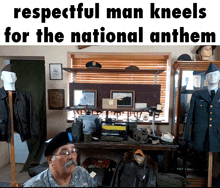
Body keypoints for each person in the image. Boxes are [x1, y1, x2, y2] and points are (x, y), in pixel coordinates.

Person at [23, 131, 97, 187]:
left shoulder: (82, 174)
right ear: (50, 159)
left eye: (73, 151)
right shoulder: (34, 185)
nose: (72, 156)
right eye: (65, 153)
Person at [184, 62, 220, 152]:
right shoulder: (197, 94)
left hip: (217, 135)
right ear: (206, 78)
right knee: (199, 162)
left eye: (215, 75)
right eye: (210, 75)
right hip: (200, 136)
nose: (212, 77)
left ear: (219, 77)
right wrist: (187, 136)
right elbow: (190, 117)